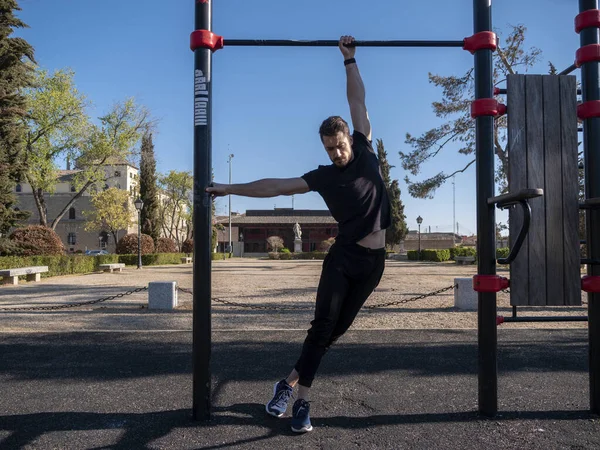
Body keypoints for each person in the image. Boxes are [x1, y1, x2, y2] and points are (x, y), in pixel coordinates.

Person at [206, 35, 391, 433]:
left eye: (339, 146)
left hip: (374, 263)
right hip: (342, 259)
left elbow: (358, 101)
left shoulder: (364, 148)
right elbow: (275, 186)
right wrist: (230, 188)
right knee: (322, 327)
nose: (337, 154)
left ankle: (286, 384)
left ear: (350, 139)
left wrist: (349, 61)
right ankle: (302, 402)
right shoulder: (323, 177)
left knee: (334, 333)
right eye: (330, 149)